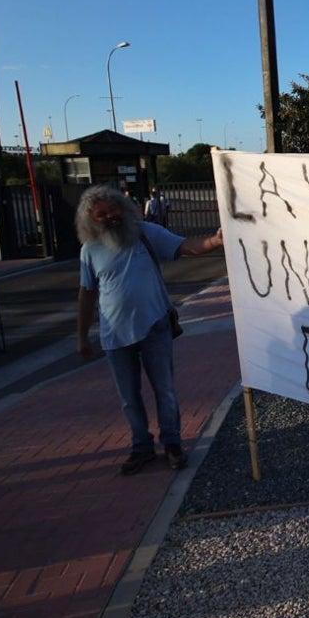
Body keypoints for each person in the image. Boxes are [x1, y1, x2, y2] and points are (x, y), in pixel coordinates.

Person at [76, 183, 223, 475]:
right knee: (129, 397)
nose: (109, 217)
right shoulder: (90, 250)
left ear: (124, 206)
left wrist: (215, 241)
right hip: (114, 335)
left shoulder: (145, 233)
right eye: (101, 214)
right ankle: (141, 446)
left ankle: (172, 444)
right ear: (91, 219)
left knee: (164, 390)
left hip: (155, 326)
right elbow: (87, 292)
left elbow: (186, 247)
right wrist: (81, 336)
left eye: (113, 208)